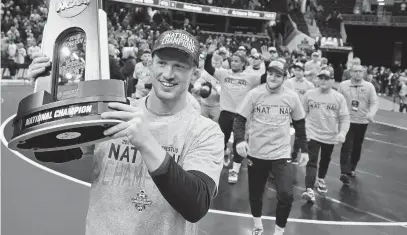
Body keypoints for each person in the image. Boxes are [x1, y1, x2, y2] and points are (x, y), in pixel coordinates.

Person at [27, 29, 224, 235]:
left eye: (179, 66)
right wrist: (43, 95)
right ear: (150, 65)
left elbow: (195, 205)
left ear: (194, 73)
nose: (168, 74)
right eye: (162, 63)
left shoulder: (205, 132)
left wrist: (146, 142)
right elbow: (49, 151)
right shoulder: (115, 111)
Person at [233, 60, 309, 235]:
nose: (273, 77)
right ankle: (258, 226)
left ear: (284, 77)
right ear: (266, 74)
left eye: (278, 74)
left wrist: (304, 149)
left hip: (280, 154)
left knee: (287, 195)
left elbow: (299, 123)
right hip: (256, 153)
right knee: (255, 193)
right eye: (271, 73)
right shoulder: (254, 94)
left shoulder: (291, 97)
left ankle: (278, 231)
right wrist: (239, 140)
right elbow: (239, 119)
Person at [204, 44, 271, 183]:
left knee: (239, 144)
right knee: (220, 140)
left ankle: (234, 170)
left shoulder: (250, 77)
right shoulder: (224, 74)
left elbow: (266, 78)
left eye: (236, 61)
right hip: (225, 113)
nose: (233, 63)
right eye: (232, 61)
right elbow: (208, 68)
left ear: (243, 63)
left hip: (241, 116)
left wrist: (268, 61)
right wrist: (209, 54)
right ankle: (224, 153)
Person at [301, 69, 350, 203]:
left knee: (325, 158)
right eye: (320, 78)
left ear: (332, 81)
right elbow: (302, 113)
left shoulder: (338, 97)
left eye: (326, 79)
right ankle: (309, 189)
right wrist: (302, 130)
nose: (323, 81)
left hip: (330, 135)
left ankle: (321, 178)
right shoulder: (309, 94)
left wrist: (342, 133)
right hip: (312, 133)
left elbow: (345, 117)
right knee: (312, 161)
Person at [337, 62, 379, 184]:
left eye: (360, 71)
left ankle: (352, 167)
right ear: (350, 73)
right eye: (355, 71)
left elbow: (374, 102)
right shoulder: (343, 85)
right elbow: (338, 101)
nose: (358, 73)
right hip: (347, 120)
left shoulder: (369, 86)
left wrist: (371, 113)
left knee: (357, 146)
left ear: (363, 73)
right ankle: (344, 171)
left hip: (362, 121)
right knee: (346, 145)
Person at [287, 62, 315, 163]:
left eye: (299, 70)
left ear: (303, 72)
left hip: (301, 114)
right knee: (285, 134)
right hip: (288, 113)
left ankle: (294, 155)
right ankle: (284, 154)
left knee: (299, 135)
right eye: (296, 70)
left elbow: (312, 100)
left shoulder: (309, 85)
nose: (297, 72)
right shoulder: (288, 82)